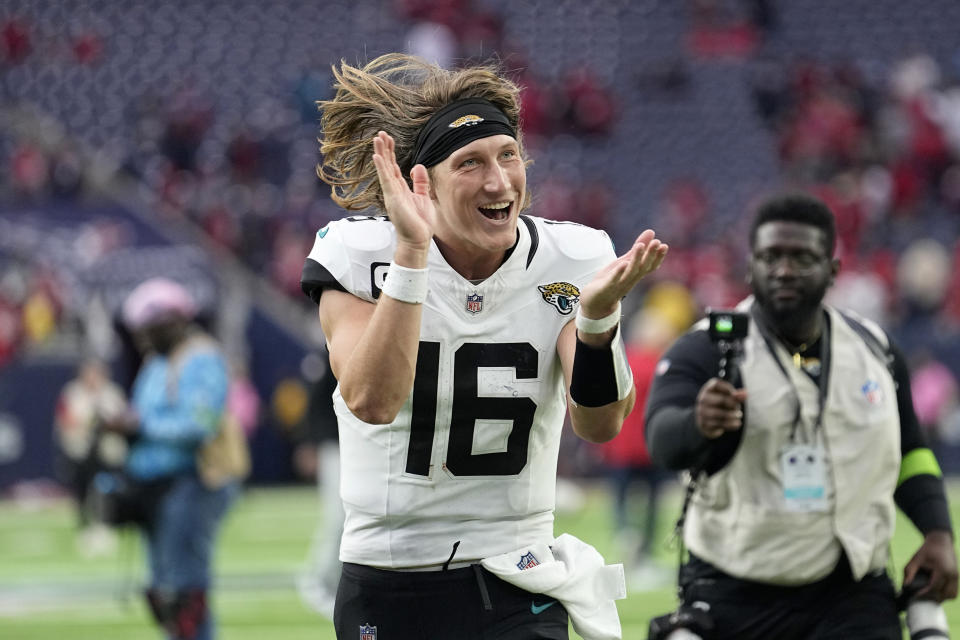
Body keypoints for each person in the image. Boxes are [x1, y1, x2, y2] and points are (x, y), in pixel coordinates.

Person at [300, 53, 668, 640]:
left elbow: (600, 426)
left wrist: (596, 323)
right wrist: (411, 257)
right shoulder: (361, 253)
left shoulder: (570, 260)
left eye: (509, 155)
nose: (499, 181)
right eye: (470, 163)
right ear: (424, 182)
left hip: (519, 570)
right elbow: (371, 400)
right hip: (389, 573)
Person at [644, 194, 957, 639]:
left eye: (802, 258)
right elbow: (660, 439)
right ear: (750, 266)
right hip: (735, 588)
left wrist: (938, 532)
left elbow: (911, 451)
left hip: (852, 589)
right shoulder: (706, 348)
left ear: (832, 270)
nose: (784, 270)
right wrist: (698, 424)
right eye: (771, 257)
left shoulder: (877, 351)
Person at [102, 277, 244, 640]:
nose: (142, 338)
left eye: (149, 329)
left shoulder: (201, 358)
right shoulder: (155, 363)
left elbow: (200, 424)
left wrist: (141, 425)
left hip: (193, 483)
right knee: (164, 591)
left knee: (185, 592)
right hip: (155, 488)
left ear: (174, 321)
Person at [53, 357, 128, 554]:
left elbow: (122, 419)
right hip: (81, 450)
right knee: (83, 488)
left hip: (107, 451)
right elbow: (65, 421)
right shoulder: (73, 393)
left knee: (108, 487)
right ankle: (85, 526)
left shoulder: (112, 393)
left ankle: (107, 525)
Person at [296, 349, 344, 620]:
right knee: (337, 517)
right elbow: (316, 399)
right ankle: (320, 581)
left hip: (363, 441)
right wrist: (311, 442)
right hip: (335, 442)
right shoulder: (329, 347)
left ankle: (334, 582)